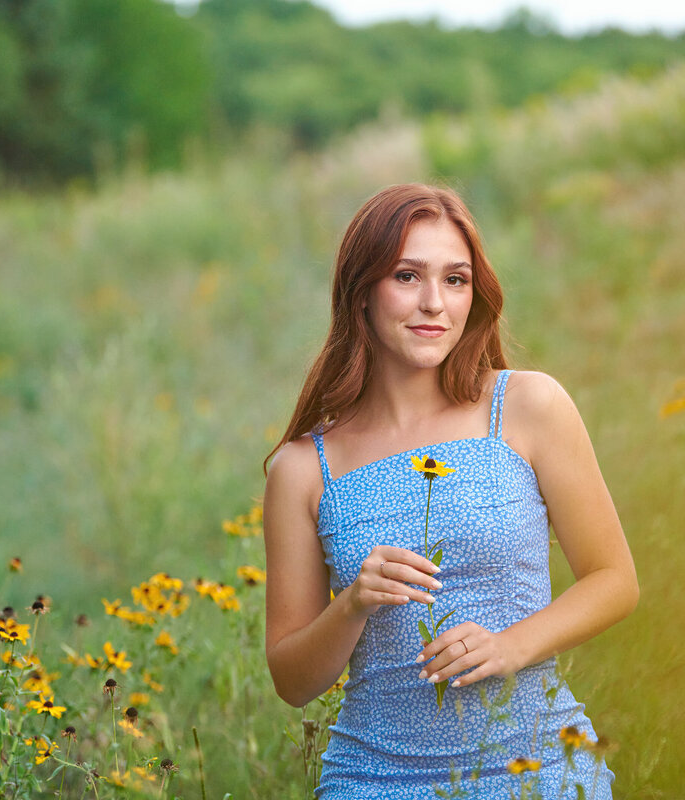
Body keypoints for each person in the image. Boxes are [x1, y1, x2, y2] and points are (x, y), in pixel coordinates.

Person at [262, 183, 638, 799]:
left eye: (455, 280)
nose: (434, 302)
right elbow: (292, 680)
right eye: (407, 276)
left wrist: (510, 645)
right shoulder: (304, 468)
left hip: (536, 766)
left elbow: (615, 580)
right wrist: (354, 602)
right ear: (361, 294)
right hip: (373, 780)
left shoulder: (527, 406)